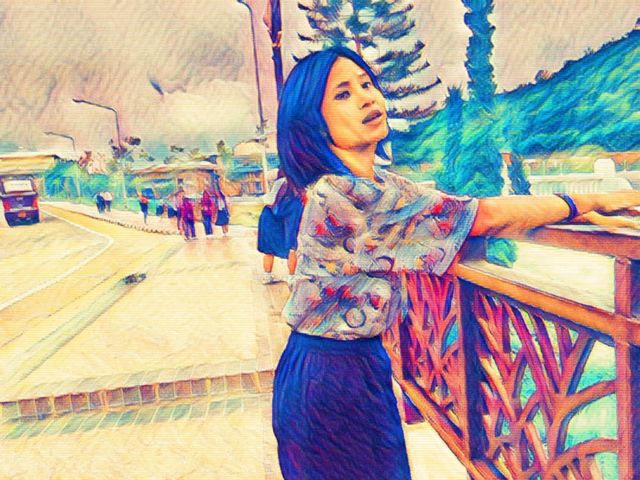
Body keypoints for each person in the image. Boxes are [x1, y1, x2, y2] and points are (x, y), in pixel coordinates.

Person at [271, 47, 640, 480]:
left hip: (354, 365)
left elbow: (455, 210)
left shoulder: (376, 185)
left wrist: (572, 213)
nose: (367, 97)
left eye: (367, 84)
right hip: (329, 379)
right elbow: (481, 215)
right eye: (343, 94)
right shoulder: (346, 194)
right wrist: (593, 201)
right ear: (312, 123)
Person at [257, 171, 304, 285]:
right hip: (289, 220)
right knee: (292, 248)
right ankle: (291, 277)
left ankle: (267, 276)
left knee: (269, 249)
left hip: (270, 219)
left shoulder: (279, 183)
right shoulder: (299, 194)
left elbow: (269, 200)